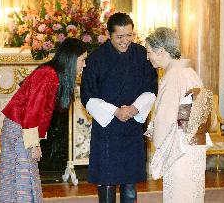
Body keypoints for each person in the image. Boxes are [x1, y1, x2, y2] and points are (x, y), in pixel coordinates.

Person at [0, 38, 87, 203]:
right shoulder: (48, 74)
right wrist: (33, 144)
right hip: (20, 131)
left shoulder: (52, 75)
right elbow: (32, 110)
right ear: (71, 59)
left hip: (20, 129)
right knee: (22, 181)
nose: (84, 65)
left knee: (16, 179)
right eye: (82, 60)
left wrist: (35, 141)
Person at [80, 12, 158, 203]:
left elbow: (151, 88)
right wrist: (115, 111)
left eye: (129, 35)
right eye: (119, 37)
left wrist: (133, 109)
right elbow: (87, 96)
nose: (125, 41)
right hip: (106, 129)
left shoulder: (142, 55)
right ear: (108, 34)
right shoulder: (96, 58)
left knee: (130, 178)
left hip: (132, 126)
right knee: (106, 178)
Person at [144, 27, 213, 203]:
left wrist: (156, 140)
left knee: (179, 196)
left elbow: (166, 119)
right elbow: (203, 114)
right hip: (195, 145)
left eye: (149, 52)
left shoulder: (174, 76)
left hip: (179, 149)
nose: (148, 57)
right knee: (192, 194)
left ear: (161, 51)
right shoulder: (190, 72)